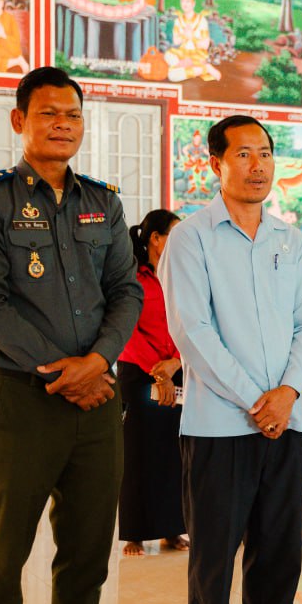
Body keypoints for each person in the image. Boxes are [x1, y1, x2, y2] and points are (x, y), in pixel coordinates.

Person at [0, 67, 145, 604]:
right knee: (4, 559)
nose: (62, 124)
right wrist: (60, 370)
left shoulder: (104, 203)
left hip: (98, 401)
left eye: (72, 114)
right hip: (25, 400)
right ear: (20, 121)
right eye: (48, 113)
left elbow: (127, 290)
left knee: (87, 552)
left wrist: (99, 362)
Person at [158, 115, 302, 604]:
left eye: (266, 153)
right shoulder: (192, 238)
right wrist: (258, 398)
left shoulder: (289, 238)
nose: (258, 165)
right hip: (220, 426)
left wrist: (287, 393)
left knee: (278, 551)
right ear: (216, 165)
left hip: (285, 422)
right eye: (244, 154)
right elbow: (192, 331)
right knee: (214, 555)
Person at [117, 209, 186, 557]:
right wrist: (157, 371)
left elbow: (191, 321)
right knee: (139, 453)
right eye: (175, 233)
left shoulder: (182, 275)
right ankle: (135, 533)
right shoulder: (132, 277)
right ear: (156, 239)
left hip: (177, 370)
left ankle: (172, 530)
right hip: (138, 372)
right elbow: (125, 329)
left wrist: (176, 361)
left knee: (174, 451)